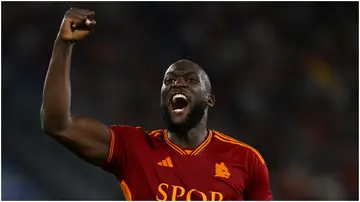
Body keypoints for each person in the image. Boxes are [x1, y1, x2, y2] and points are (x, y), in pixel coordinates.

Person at [40, 8, 273, 201]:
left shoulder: (246, 160)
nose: (177, 84)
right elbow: (57, 125)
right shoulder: (133, 148)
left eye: (190, 80)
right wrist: (63, 44)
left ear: (209, 99)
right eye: (169, 81)